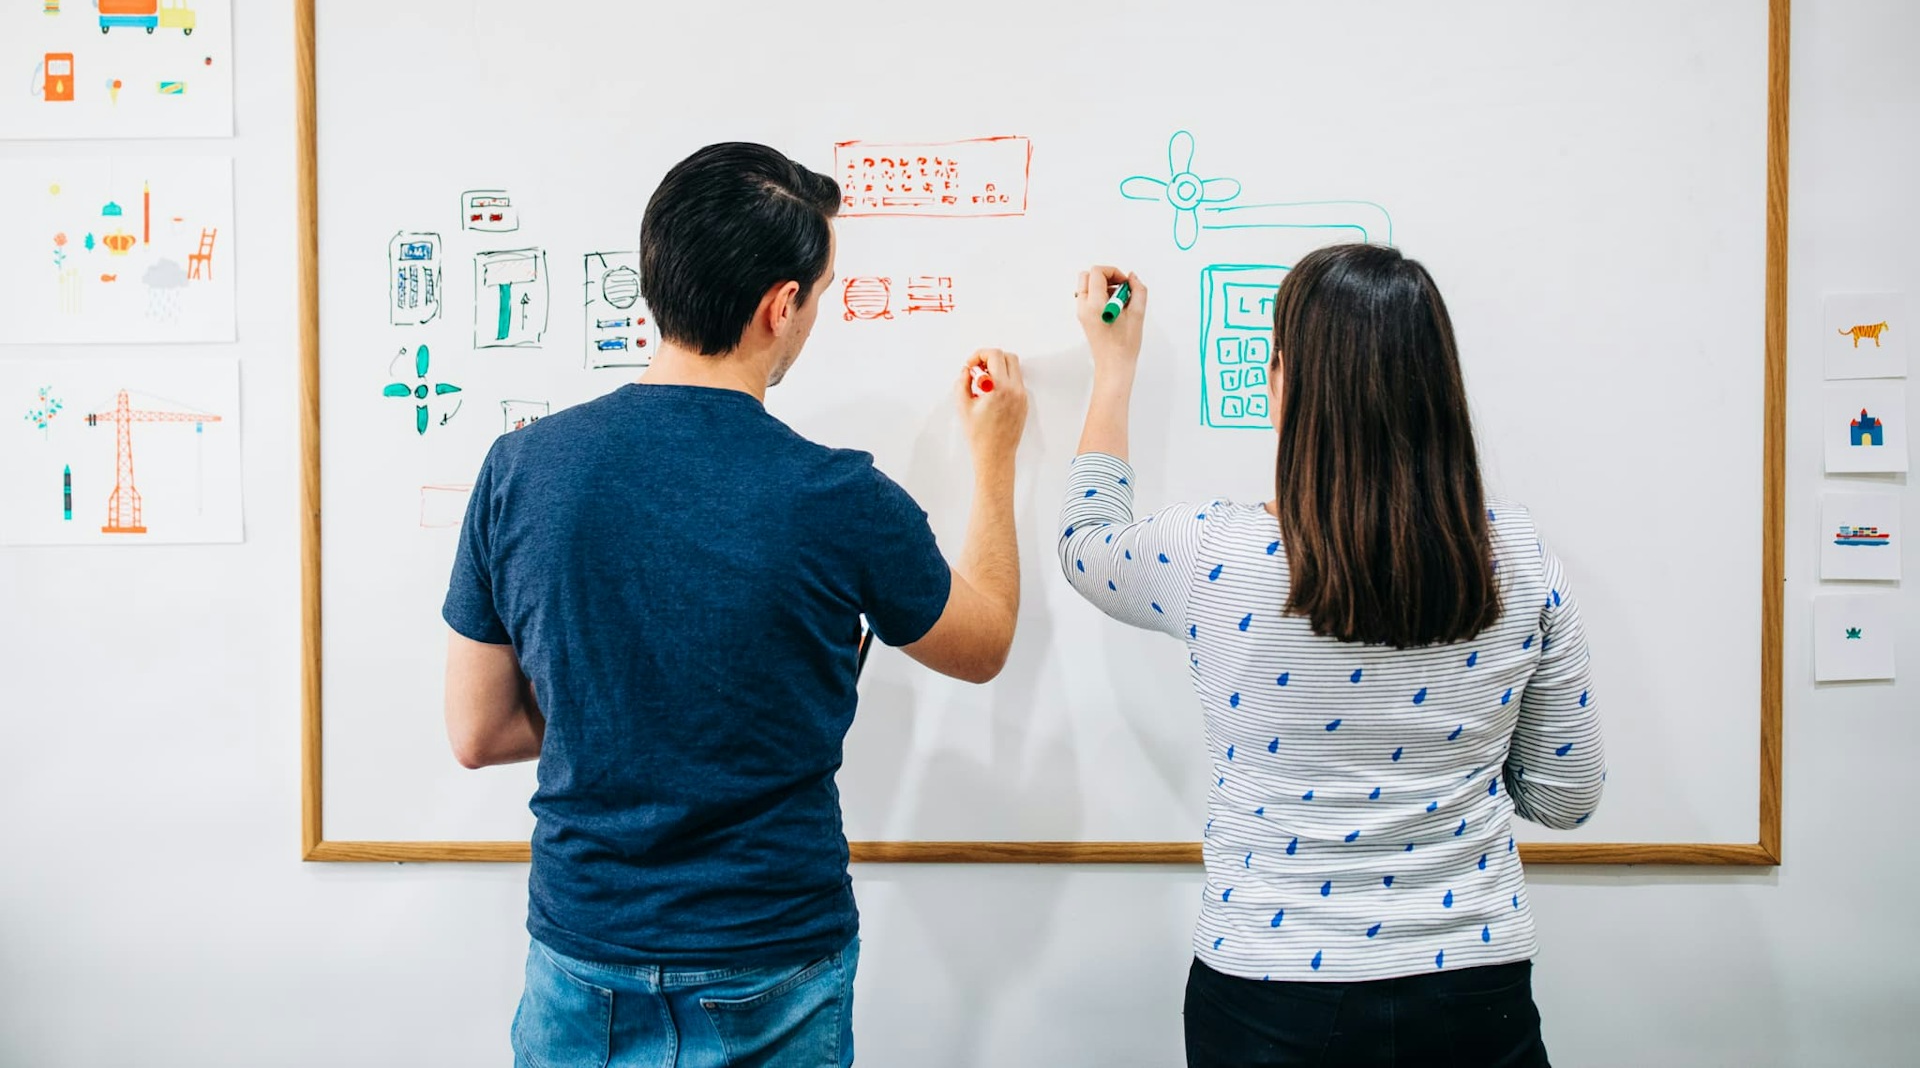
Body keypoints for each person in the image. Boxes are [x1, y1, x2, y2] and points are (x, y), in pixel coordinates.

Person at [442, 142, 1028, 1068]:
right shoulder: (836, 496)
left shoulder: (522, 471)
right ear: (780, 305)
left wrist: (626, 709)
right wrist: (995, 459)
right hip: (772, 956)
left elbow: (479, 731)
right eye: (822, 295)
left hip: (583, 950)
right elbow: (984, 640)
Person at [1058, 245, 1604, 1067]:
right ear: (1439, 391)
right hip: (1470, 985)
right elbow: (1565, 799)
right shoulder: (1517, 561)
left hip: (1266, 992)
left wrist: (1113, 367)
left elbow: (1085, 543)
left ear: (1282, 384)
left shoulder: (1216, 555)